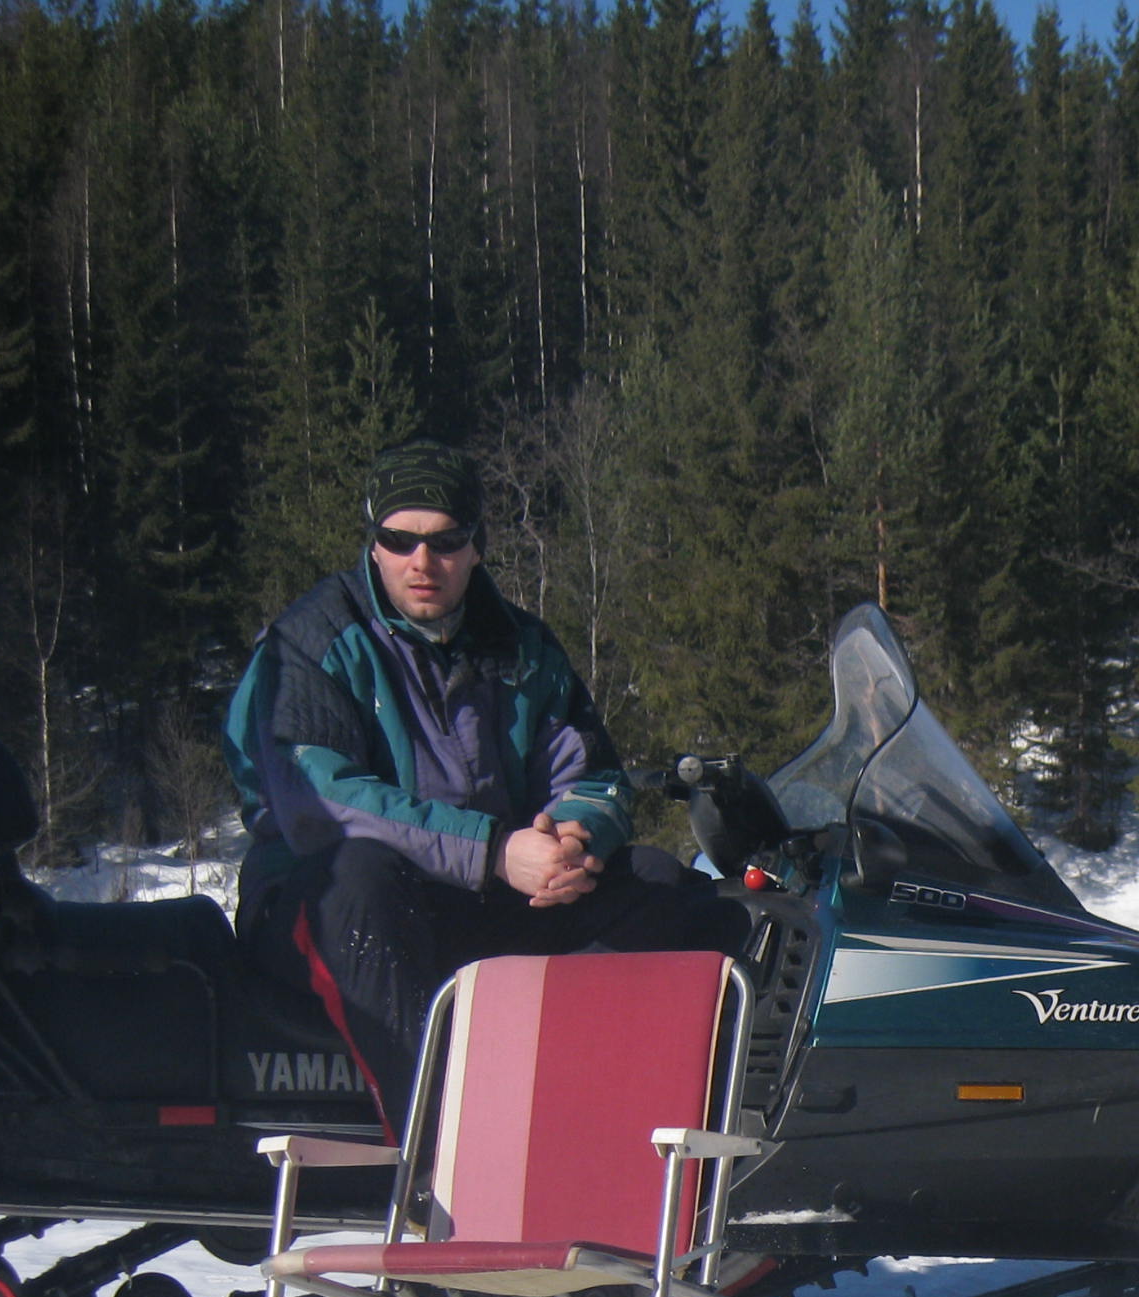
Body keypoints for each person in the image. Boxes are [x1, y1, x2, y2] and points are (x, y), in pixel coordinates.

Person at [224, 439, 747, 1119]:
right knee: (359, 874)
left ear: (476, 546)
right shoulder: (310, 642)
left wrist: (573, 840)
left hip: (471, 900)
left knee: (658, 880)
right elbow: (318, 802)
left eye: (446, 542)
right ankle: (439, 1144)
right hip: (320, 906)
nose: (422, 562)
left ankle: (616, 1117)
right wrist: (495, 851)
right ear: (373, 543)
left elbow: (595, 776)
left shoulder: (521, 646)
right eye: (399, 540)